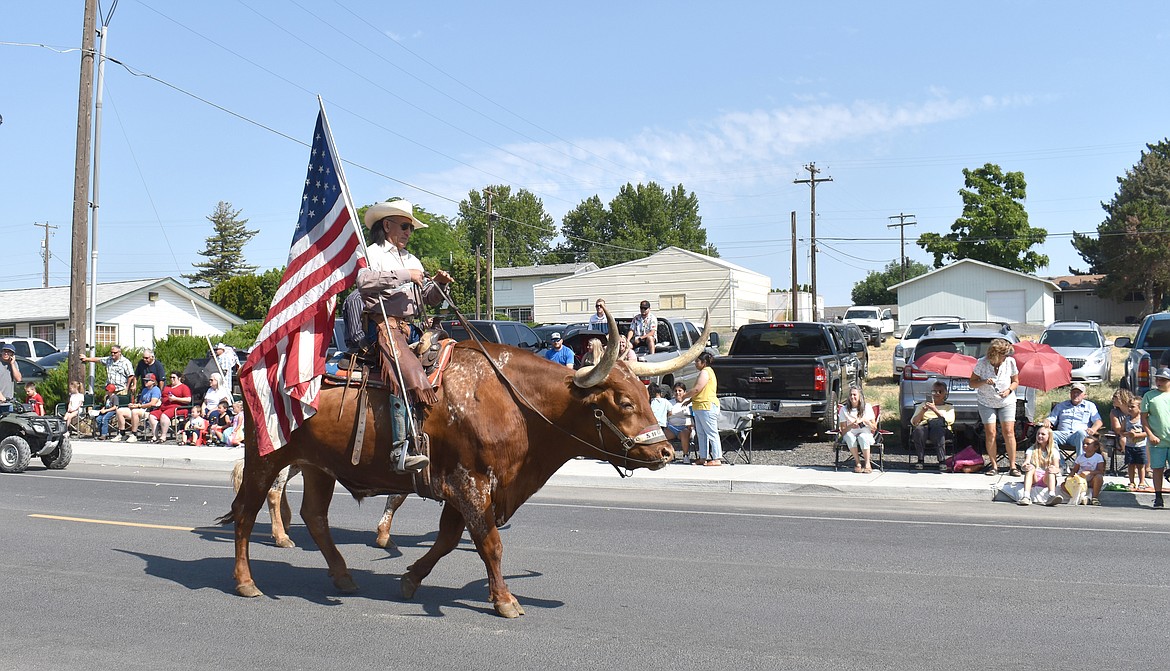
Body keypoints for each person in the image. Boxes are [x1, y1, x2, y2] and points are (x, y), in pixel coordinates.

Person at [355, 199, 453, 473]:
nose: (410, 232)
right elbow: (363, 281)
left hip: (411, 326)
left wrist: (440, 285)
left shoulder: (412, 259)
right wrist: (403, 275)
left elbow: (426, 299)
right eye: (405, 226)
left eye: (411, 228)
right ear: (387, 225)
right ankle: (401, 449)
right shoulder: (370, 252)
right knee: (404, 371)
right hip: (383, 324)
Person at [970, 338, 1020, 476]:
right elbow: (972, 383)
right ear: (996, 354)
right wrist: (984, 381)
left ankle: (1012, 466)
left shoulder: (1010, 362)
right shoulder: (982, 363)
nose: (1006, 357)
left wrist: (1009, 390)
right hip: (986, 401)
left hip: (1006, 401)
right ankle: (994, 466)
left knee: (1008, 431)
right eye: (1004, 354)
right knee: (990, 432)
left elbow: (1016, 381)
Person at [1043, 382, 1103, 460]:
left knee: (1081, 433)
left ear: (1084, 395)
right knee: (1048, 435)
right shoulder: (1061, 406)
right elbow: (1051, 419)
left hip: (1078, 435)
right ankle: (1060, 464)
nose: (1075, 394)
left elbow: (1098, 421)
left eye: (1078, 392)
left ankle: (1080, 464)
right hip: (1062, 434)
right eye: (1074, 392)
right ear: (1070, 393)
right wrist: (1047, 421)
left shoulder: (1090, 406)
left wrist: (1093, 429)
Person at [682, 352, 720, 466]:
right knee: (701, 433)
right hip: (699, 406)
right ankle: (703, 457)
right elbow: (700, 392)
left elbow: (698, 389)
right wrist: (690, 400)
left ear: (704, 363)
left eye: (697, 361)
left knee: (711, 432)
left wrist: (685, 395)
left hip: (707, 406)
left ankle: (717, 458)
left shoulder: (705, 372)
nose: (695, 363)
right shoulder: (704, 372)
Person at [1140, 367, 1170, 509]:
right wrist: (1150, 434)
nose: (1159, 382)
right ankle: (1158, 497)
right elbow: (1144, 418)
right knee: (1157, 469)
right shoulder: (1149, 396)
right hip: (1157, 439)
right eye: (1157, 379)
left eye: (1163, 379)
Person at [910, 381, 954, 471]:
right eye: (934, 391)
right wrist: (923, 411)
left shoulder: (949, 407)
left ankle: (942, 460)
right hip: (925, 426)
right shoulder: (923, 405)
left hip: (942, 428)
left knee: (937, 430)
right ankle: (920, 459)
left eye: (940, 391)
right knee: (919, 430)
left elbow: (949, 420)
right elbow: (913, 422)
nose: (937, 394)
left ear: (945, 393)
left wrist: (935, 410)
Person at [1019, 425, 1065, 506]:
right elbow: (1025, 463)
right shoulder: (1031, 449)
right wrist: (1025, 467)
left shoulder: (1054, 451)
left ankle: (1051, 496)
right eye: (1038, 434)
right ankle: (1026, 496)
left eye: (1043, 434)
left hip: (1046, 478)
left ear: (1049, 437)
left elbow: (1058, 468)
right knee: (1031, 468)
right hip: (1035, 477)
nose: (1040, 436)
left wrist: (1054, 469)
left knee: (1050, 468)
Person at [837, 386, 877, 473]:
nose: (852, 397)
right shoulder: (844, 410)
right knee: (849, 436)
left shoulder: (867, 407)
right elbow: (843, 431)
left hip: (866, 434)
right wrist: (851, 425)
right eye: (851, 395)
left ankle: (867, 464)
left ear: (860, 396)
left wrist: (865, 421)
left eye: (855, 395)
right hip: (851, 434)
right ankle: (858, 463)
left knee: (862, 437)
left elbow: (874, 428)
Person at [114, 372, 161, 442]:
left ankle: (134, 434)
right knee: (120, 411)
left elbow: (152, 403)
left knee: (134, 412)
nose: (145, 382)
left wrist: (139, 406)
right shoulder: (144, 390)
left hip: (150, 410)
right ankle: (122, 433)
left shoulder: (156, 390)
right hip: (141, 408)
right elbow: (141, 402)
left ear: (153, 382)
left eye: (147, 380)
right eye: (145, 380)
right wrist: (134, 405)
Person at [1120, 393, 1151, 491]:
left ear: (1140, 408)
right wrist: (1127, 434)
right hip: (1129, 445)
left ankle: (1141, 481)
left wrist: (1137, 435)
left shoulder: (1143, 420)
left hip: (1140, 446)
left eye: (1132, 407)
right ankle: (1131, 481)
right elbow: (1121, 431)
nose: (1129, 409)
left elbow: (1147, 432)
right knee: (1130, 464)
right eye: (1128, 407)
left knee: (1140, 465)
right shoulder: (1127, 419)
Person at [154, 372, 192, 443]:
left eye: (173, 377)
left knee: (164, 415)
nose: (172, 379)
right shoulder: (167, 387)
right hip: (163, 407)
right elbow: (162, 398)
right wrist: (159, 401)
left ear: (179, 378)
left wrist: (175, 399)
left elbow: (188, 400)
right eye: (170, 377)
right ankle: (154, 436)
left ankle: (163, 436)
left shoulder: (184, 387)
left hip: (178, 408)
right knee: (152, 415)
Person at [1068, 435, 1106, 505]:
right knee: (1063, 485)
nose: (1084, 445)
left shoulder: (1098, 457)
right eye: (1084, 444)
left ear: (1095, 447)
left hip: (1091, 480)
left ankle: (1094, 498)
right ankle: (1080, 498)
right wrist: (1069, 477)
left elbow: (1101, 471)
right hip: (1080, 481)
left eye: (1088, 444)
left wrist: (1090, 472)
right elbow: (1074, 470)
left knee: (1099, 477)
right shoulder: (1080, 457)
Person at [665, 382, 695, 463]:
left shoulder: (689, 402)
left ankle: (685, 455)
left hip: (685, 427)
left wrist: (692, 425)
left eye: (680, 390)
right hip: (672, 428)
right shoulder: (669, 402)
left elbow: (694, 416)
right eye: (675, 391)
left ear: (684, 392)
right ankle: (668, 455)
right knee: (660, 436)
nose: (677, 393)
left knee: (685, 433)